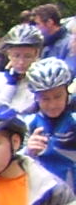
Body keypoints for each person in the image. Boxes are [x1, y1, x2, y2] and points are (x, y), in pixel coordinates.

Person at [25, 57, 76, 188]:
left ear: (67, 92)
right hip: (43, 194)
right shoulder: (27, 123)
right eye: (45, 99)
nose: (52, 104)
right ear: (36, 98)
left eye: (58, 96)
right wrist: (28, 151)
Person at [0, 23, 43, 114]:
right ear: (9, 54)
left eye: (27, 56)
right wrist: (10, 85)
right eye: (16, 56)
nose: (21, 62)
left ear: (36, 54)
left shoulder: (42, 81)